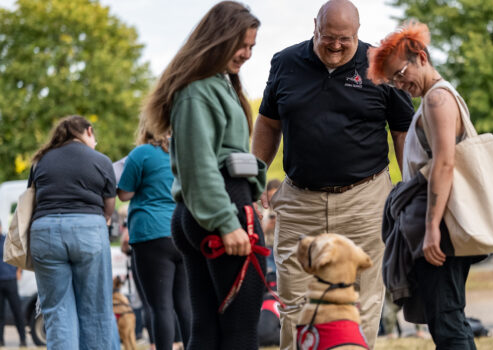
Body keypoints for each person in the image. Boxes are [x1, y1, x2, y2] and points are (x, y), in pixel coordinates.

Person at [251, 0, 414, 348]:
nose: (336, 45)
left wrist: (409, 188)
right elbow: (267, 122)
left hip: (366, 198)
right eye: (328, 37)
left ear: (358, 32)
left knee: (365, 299)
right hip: (299, 199)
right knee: (294, 298)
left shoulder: (381, 66)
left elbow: (403, 131)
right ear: (315, 27)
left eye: (346, 39)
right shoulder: (285, 62)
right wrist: (254, 176)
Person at [143, 2, 266, 349]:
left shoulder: (217, 85)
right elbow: (199, 167)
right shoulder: (199, 91)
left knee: (208, 328)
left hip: (205, 210)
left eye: (252, 47)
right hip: (219, 209)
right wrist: (227, 223)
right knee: (240, 330)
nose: (246, 54)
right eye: (242, 45)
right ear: (219, 39)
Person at [367, 21, 481, 348]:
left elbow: (444, 163)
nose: (399, 84)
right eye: (392, 81)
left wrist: (431, 228)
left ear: (421, 56)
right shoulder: (434, 97)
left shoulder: (437, 99)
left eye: (401, 74)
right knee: (445, 318)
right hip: (439, 224)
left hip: (440, 228)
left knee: (446, 320)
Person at [28, 115, 119, 349]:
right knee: (95, 310)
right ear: (88, 131)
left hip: (45, 232)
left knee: (57, 312)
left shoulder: (40, 160)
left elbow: (33, 197)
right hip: (88, 230)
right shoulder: (101, 160)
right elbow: (109, 207)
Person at [117, 118, 191, 350]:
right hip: (183, 232)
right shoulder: (184, 153)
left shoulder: (141, 154)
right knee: (185, 304)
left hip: (151, 234)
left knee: (160, 306)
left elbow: (124, 194)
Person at [0, 220, 27, 347]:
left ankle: (23, 340)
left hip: (10, 280)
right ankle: (1, 341)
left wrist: (19, 270)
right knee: (0, 314)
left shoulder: (7, 240)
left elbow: (18, 254)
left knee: (17, 311)